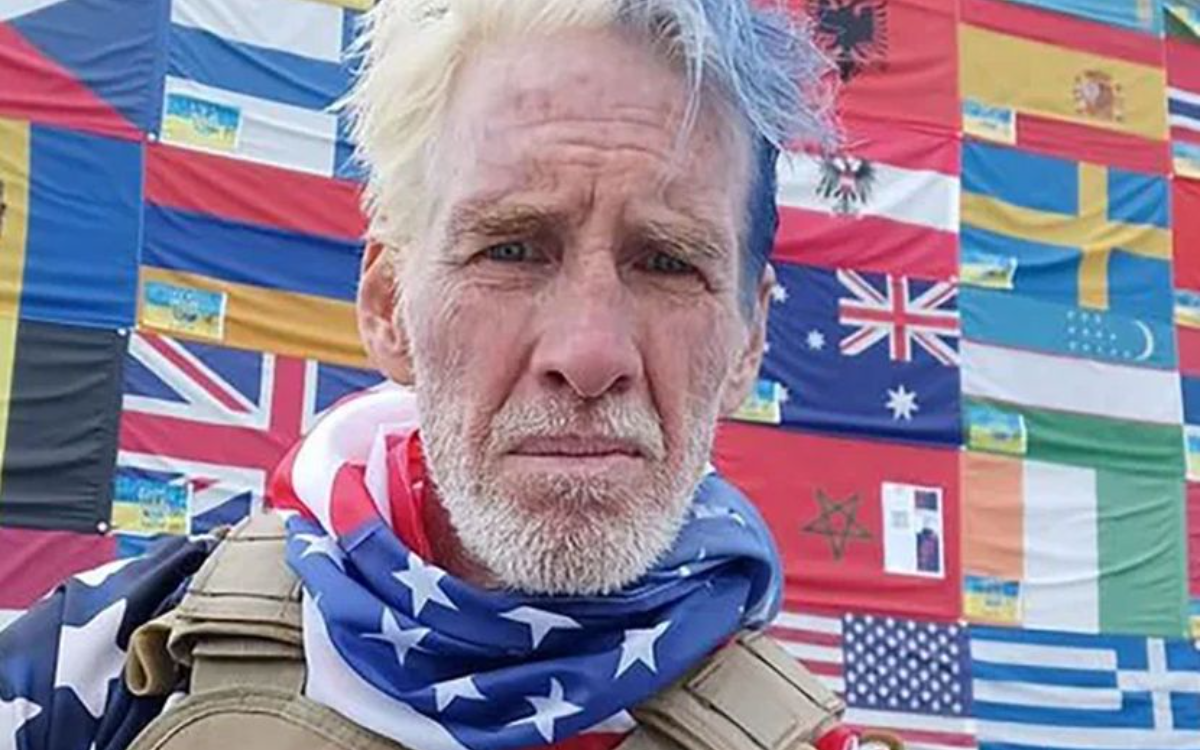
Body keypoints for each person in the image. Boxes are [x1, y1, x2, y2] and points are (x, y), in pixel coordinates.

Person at [0, 1, 888, 748]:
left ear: (748, 340)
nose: (588, 355)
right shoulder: (110, 668)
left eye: (666, 262)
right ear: (389, 304)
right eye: (512, 249)